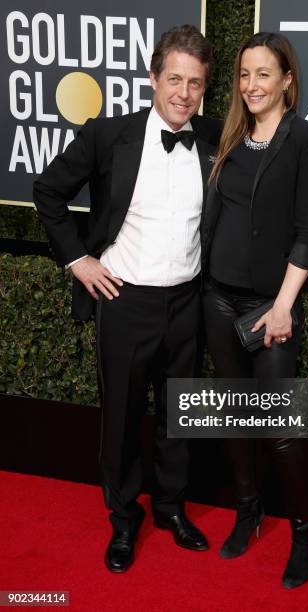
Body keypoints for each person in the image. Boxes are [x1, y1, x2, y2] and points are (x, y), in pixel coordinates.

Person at [33, 24, 221, 573]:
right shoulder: (108, 134)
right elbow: (47, 191)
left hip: (187, 301)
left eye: (195, 83)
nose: (184, 94)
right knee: (119, 418)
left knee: (179, 416)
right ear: (153, 78)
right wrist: (77, 260)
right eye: (174, 80)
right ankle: (122, 517)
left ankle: (169, 507)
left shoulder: (213, 138)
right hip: (124, 299)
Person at [201, 32, 308, 588]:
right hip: (217, 296)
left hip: (267, 305)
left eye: (263, 74)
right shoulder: (228, 135)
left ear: (287, 80)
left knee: (277, 426)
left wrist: (282, 308)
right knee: (234, 416)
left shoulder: (307, 139)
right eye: (245, 75)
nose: (252, 85)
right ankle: (249, 510)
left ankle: (305, 530)